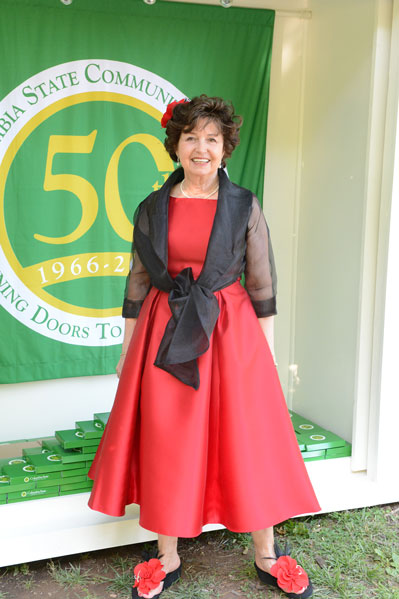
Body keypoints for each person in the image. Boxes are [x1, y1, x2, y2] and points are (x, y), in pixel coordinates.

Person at [88, 95, 321, 599]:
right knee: (168, 438)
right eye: (191, 137)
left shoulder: (244, 205)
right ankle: (166, 554)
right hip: (165, 330)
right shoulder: (151, 208)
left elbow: (261, 285)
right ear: (175, 146)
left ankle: (266, 552)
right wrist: (129, 353)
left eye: (211, 139)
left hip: (231, 331)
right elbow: (137, 282)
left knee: (248, 437)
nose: (201, 148)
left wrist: (268, 353)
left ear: (225, 149)